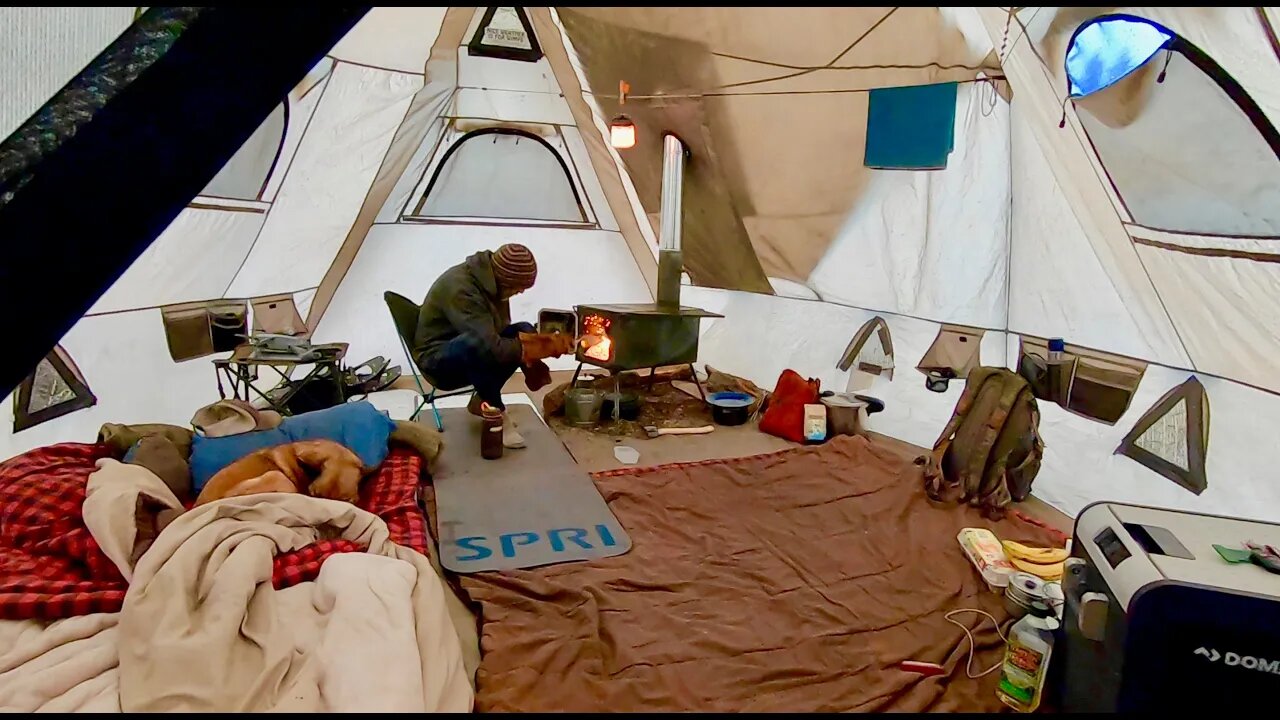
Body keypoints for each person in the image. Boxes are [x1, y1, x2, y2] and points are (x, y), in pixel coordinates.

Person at [413, 243, 573, 448]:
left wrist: (542, 340)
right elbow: (488, 345)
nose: (521, 292)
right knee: (475, 346)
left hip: (471, 346)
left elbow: (499, 333)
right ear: (505, 279)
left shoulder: (491, 283)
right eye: (518, 287)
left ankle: (481, 400)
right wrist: (545, 348)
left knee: (522, 329)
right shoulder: (461, 289)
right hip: (437, 358)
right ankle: (496, 413)